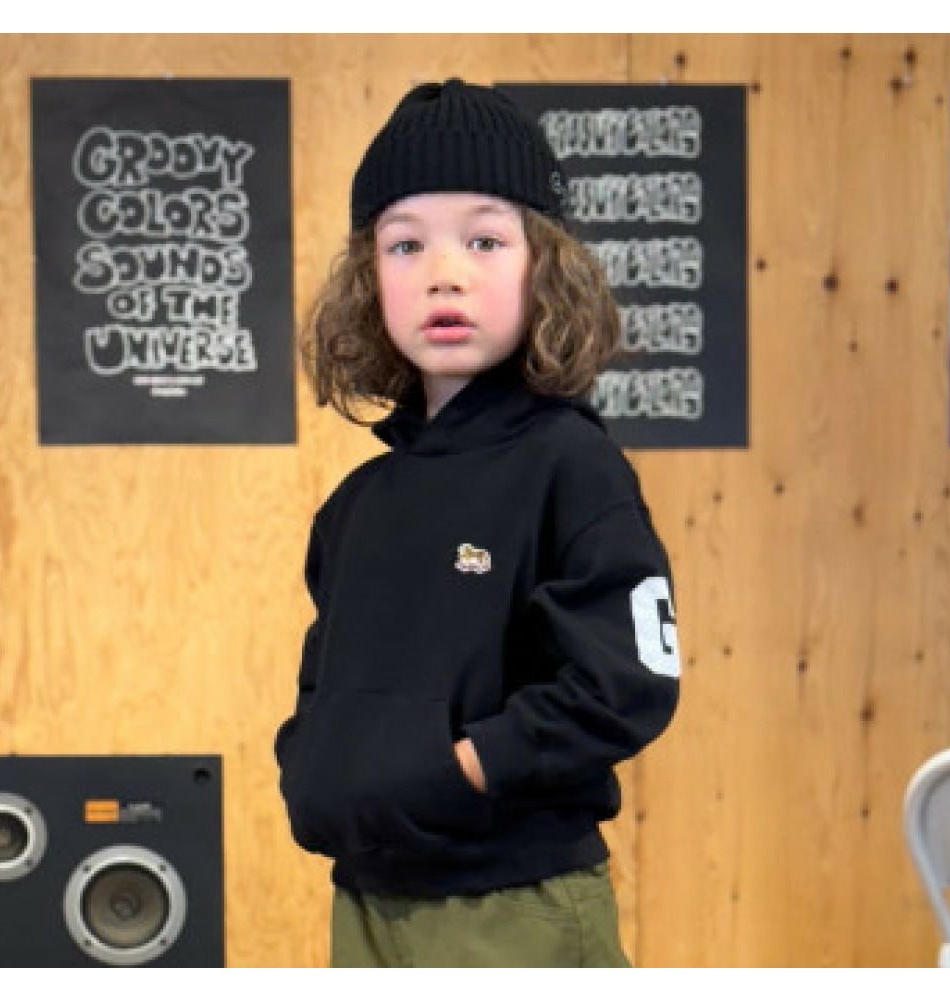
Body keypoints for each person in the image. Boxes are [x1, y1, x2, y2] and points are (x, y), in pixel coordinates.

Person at [274, 78, 680, 968]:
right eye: (405, 244)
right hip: (365, 900)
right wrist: (314, 774)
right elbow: (321, 693)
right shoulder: (356, 507)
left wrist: (457, 770)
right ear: (368, 279)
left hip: (513, 905)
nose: (444, 272)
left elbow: (625, 685)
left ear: (548, 267)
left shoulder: (571, 466)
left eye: (485, 240)